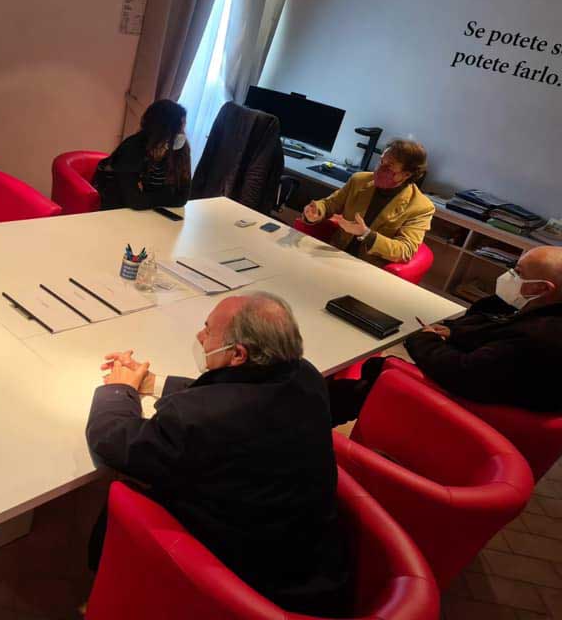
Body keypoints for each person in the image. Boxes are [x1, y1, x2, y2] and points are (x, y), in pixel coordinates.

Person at [86, 293, 350, 615]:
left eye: (208, 330)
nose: (200, 336)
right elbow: (229, 393)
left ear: (238, 354)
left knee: (127, 491)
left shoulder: (202, 421)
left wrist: (118, 389)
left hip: (246, 587)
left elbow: (113, 440)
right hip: (312, 565)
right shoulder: (304, 376)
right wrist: (152, 383)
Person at [330, 246, 562, 424]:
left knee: (342, 392)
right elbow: (489, 328)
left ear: (542, 288)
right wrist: (454, 331)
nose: (509, 275)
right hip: (476, 389)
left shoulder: (539, 337)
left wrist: (423, 339)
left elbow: (463, 373)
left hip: (460, 410)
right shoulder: (534, 309)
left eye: (518, 273)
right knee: (368, 374)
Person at [302, 139, 434, 265]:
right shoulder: (359, 180)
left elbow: (405, 251)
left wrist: (366, 234)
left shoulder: (421, 207)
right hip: (335, 252)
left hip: (369, 266)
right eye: (381, 161)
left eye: (389, 166)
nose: (380, 168)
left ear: (406, 174)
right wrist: (316, 211)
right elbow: (330, 204)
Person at [93, 99, 191, 210]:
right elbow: (134, 201)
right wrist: (167, 196)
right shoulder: (132, 148)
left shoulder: (181, 150)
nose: (181, 135)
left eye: (182, 129)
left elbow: (182, 197)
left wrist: (148, 198)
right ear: (162, 129)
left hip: (153, 211)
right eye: (178, 129)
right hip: (117, 209)